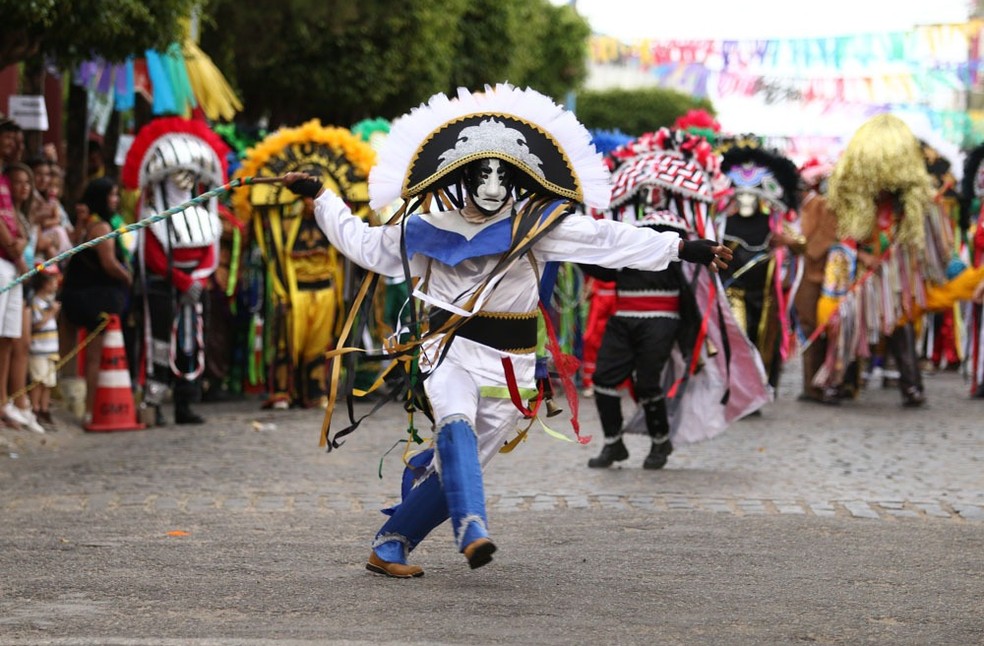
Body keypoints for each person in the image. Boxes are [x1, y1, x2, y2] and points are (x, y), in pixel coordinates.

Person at [284, 84, 731, 578]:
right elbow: (365, 246)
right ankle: (472, 529)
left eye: (503, 175)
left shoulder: (540, 225)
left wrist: (681, 247)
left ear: (518, 177)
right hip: (448, 350)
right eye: (481, 174)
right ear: (460, 176)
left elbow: (608, 240)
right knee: (454, 421)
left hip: (510, 367)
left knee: (463, 461)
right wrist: (322, 198)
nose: (492, 186)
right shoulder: (427, 226)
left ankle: (391, 543)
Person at [123, 117, 228, 426]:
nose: (182, 182)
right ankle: (153, 403)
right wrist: (182, 282)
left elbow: (210, 253)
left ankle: (186, 402)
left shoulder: (204, 215)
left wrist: (195, 282)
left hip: (194, 290)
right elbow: (154, 257)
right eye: (175, 176)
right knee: (158, 344)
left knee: (191, 345)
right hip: (164, 288)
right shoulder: (152, 216)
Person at [59, 177, 134, 424]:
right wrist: (128, 277)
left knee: (71, 353)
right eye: (112, 195)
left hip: (78, 294)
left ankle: (75, 403)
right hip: (94, 299)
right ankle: (90, 411)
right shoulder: (101, 228)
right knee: (94, 358)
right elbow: (109, 264)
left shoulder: (89, 225)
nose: (115, 200)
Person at [793, 158, 840, 404]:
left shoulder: (821, 205)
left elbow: (824, 238)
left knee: (818, 328)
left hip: (818, 275)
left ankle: (822, 384)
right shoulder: (806, 207)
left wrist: (798, 245)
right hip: (805, 274)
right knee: (807, 328)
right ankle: (812, 385)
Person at [4, 162, 45, 434]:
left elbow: (21, 240)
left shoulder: (21, 213)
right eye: (17, 182)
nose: (24, 188)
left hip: (22, 276)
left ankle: (11, 401)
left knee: (13, 339)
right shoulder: (6, 211)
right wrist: (17, 251)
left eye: (27, 183)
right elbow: (13, 243)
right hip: (9, 268)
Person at [0, 117, 30, 430]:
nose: (14, 145)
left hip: (12, 262)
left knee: (9, 336)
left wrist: (19, 242)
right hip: (4, 260)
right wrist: (13, 246)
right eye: (9, 138)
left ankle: (4, 399)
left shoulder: (6, 180)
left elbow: (15, 221)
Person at [29, 268, 61, 429]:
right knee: (38, 381)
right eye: (53, 281)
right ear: (44, 284)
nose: (56, 284)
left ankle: (44, 408)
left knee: (49, 382)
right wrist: (51, 313)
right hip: (38, 349)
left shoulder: (50, 302)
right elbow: (36, 325)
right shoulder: (36, 303)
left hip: (50, 349)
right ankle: (35, 408)